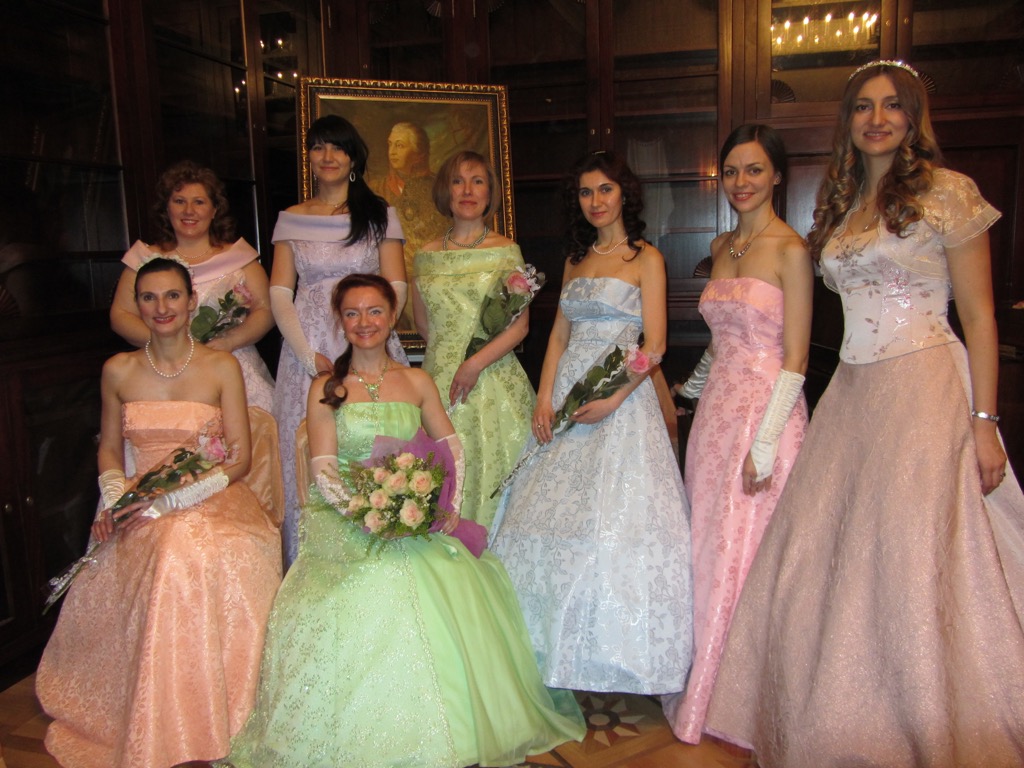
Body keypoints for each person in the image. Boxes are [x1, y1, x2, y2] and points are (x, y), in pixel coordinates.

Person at [705, 61, 1024, 767]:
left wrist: (985, 421)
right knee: (830, 557)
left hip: (925, 385)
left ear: (913, 118)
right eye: (862, 108)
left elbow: (979, 317)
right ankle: (841, 716)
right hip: (852, 393)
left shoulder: (948, 193)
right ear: (848, 121)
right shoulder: (843, 205)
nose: (876, 119)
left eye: (891, 106)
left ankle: (925, 719)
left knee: (913, 553)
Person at [226, 274, 586, 768]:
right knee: (373, 581)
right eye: (352, 313)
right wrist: (367, 513)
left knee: (448, 576)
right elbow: (324, 468)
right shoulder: (327, 388)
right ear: (341, 322)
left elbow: (450, 446)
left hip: (413, 518)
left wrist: (443, 505)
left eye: (375, 311)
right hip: (346, 520)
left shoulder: (417, 382)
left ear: (393, 315)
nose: (364, 322)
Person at [36, 257, 282, 768]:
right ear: (138, 305)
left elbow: (239, 459)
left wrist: (171, 502)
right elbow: (109, 448)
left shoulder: (221, 366)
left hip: (211, 494)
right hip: (138, 495)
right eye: (148, 297)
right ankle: (157, 712)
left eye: (172, 295)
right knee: (166, 547)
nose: (161, 307)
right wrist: (116, 497)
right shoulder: (118, 369)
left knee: (185, 545)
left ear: (192, 302)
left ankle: (211, 715)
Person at [489, 151, 693, 695]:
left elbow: (656, 344)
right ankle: (544, 648)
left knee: (611, 519)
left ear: (624, 194)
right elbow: (558, 336)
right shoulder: (575, 259)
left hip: (620, 399)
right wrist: (543, 398)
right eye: (585, 192)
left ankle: (611, 655)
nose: (596, 201)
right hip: (566, 396)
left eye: (605, 189)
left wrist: (614, 400)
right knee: (544, 515)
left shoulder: (646, 258)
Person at [662, 124, 812, 743]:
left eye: (754, 169)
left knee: (746, 550)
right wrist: (685, 394)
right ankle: (705, 679)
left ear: (776, 174)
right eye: (731, 171)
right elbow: (719, 344)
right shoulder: (722, 244)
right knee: (708, 543)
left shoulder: (791, 250)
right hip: (715, 417)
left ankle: (746, 697)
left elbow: (795, 359)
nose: (741, 182)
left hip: (765, 414)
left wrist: (767, 442)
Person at [271, 114, 408, 565]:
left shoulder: (378, 214)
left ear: (353, 158)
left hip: (367, 339)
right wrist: (308, 356)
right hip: (307, 347)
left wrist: (372, 338)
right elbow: (279, 293)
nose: (327, 156)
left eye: (338, 147)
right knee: (309, 452)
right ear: (309, 157)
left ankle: (383, 543)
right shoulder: (292, 218)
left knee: (373, 444)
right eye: (318, 147)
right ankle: (311, 562)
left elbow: (396, 285)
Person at [110, 161, 282, 521]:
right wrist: (169, 342)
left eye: (199, 201)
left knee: (246, 460)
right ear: (166, 208)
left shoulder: (239, 258)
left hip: (230, 367)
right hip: (161, 374)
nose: (189, 210)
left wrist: (224, 344)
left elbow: (265, 311)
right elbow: (120, 314)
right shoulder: (144, 259)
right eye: (179, 201)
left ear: (215, 208)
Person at [412, 150, 535, 530]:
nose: (467, 190)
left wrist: (473, 363)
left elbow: (519, 327)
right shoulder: (425, 255)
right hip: (437, 381)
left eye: (477, 181)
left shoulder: (506, 251)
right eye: (458, 181)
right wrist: (448, 358)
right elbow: (423, 324)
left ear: (489, 192)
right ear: (445, 191)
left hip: (491, 377)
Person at [371, 120, 449, 327]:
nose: (392, 152)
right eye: (390, 144)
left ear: (419, 153)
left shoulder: (440, 191)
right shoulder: (375, 190)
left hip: (432, 287)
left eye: (400, 145)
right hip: (385, 288)